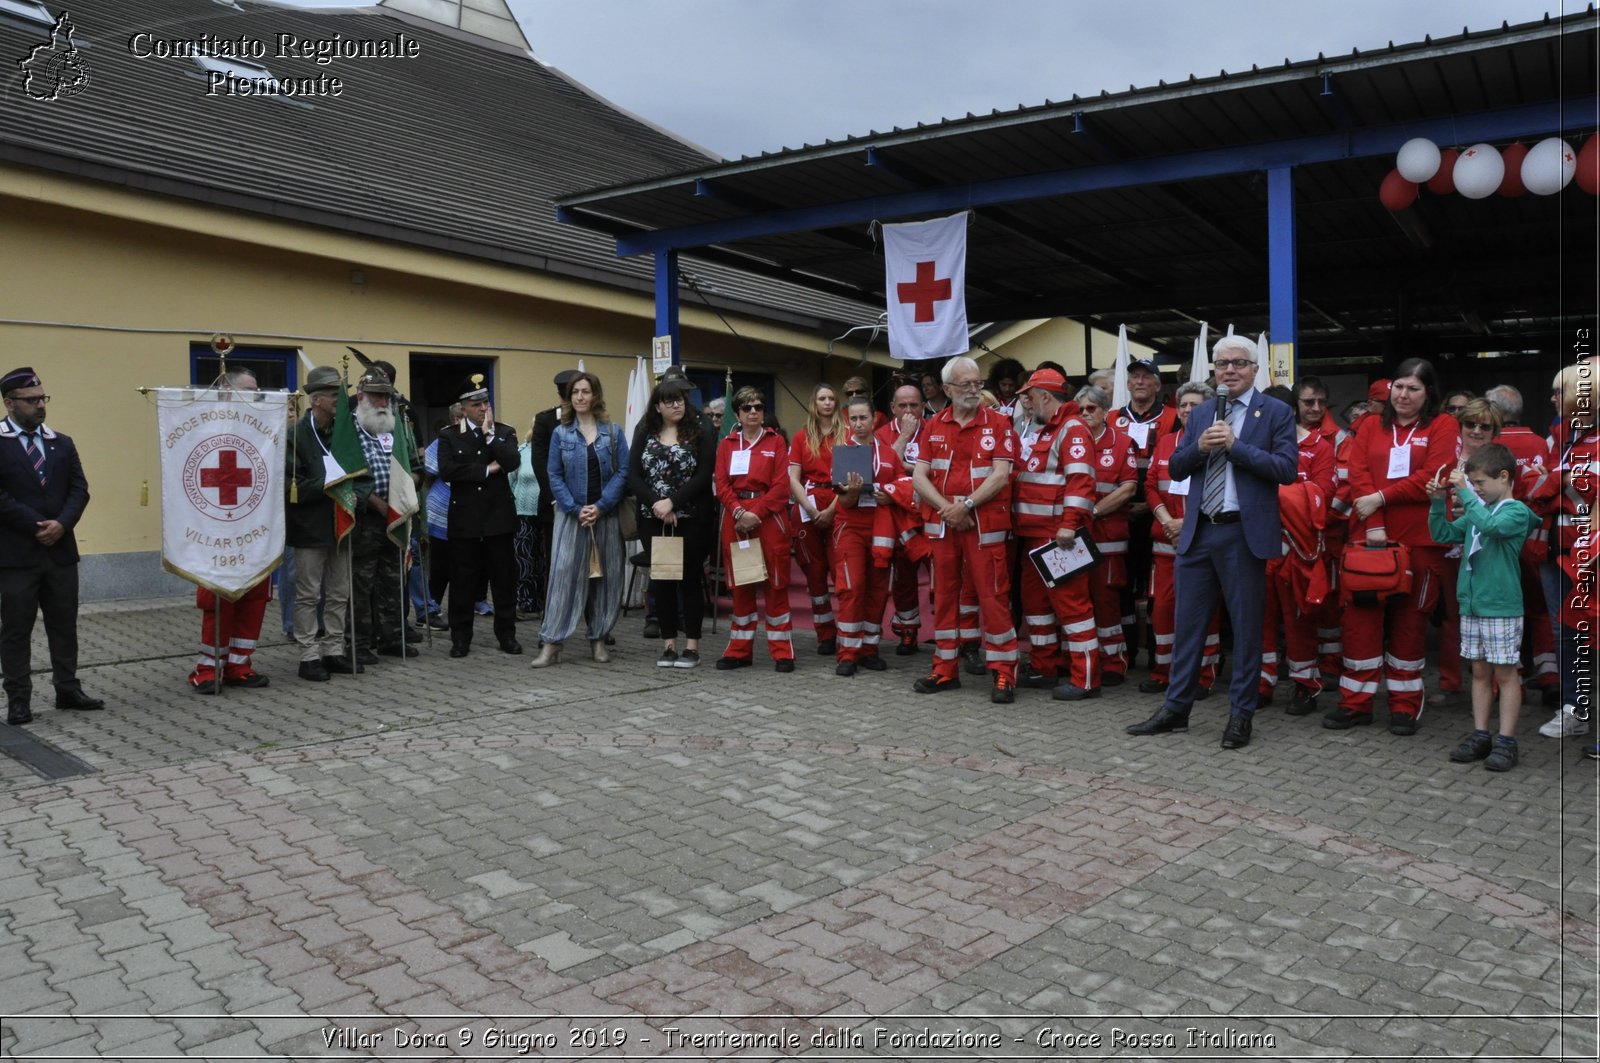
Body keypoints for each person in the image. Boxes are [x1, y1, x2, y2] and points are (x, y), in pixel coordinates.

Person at [1126, 336, 1298, 750]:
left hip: (1243, 532)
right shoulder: (1201, 413)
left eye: (1239, 363)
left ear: (1255, 370)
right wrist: (1199, 449)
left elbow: (1287, 470)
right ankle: (1176, 709)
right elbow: (1177, 465)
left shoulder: (1275, 411)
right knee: (1188, 627)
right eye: (1222, 364)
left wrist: (1238, 449)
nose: (1230, 370)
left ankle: (1241, 715)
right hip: (1199, 531)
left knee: (1244, 629)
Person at [1325, 356, 1459, 735]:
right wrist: (1376, 524)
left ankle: (1403, 705)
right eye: (1399, 386)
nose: (1403, 394)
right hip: (1369, 540)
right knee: (1360, 622)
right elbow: (1359, 476)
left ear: (1428, 392)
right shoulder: (1369, 425)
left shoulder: (1444, 425)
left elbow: (1433, 477)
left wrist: (1381, 500)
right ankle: (1356, 704)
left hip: (1421, 541)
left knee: (1410, 624)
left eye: (1413, 388)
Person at [911, 355, 1020, 703]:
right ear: (947, 389)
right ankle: (945, 669)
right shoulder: (933, 425)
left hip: (982, 524)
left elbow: (1001, 475)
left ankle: (1004, 673)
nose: (974, 390)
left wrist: (966, 505)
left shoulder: (1000, 423)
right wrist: (948, 510)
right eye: (966, 384)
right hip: (946, 524)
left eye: (977, 383)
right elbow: (918, 476)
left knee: (993, 597)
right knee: (943, 597)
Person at [1430, 443, 1541, 772]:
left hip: (1501, 606)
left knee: (1506, 675)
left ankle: (1507, 740)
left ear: (1504, 477)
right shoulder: (1479, 512)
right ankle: (1481, 734)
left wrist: (1465, 494)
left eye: (1480, 483)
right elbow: (1443, 534)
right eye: (1472, 483)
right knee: (1479, 672)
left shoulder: (1515, 512)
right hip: (1473, 605)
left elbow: (1492, 528)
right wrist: (1437, 502)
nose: (1475, 488)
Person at [0, 366, 102, 724]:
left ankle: (68, 689)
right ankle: (18, 698)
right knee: (16, 628)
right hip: (16, 556)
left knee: (64, 623)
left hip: (59, 552)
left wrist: (62, 524)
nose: (40, 405)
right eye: (31, 400)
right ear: (10, 404)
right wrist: (36, 525)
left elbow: (80, 488)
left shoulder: (62, 442)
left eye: (43, 398)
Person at [1006, 369, 1098, 697]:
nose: (1027, 405)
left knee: (1073, 607)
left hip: (1059, 537)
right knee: (1036, 606)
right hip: (1035, 535)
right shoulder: (1048, 430)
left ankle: (1085, 679)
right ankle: (1044, 667)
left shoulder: (1071, 429)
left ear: (1045, 396)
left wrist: (1069, 524)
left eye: (1029, 397)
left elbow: (1081, 481)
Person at [186, 366, 274, 693]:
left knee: (253, 597)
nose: (254, 397)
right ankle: (207, 669)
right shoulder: (202, 428)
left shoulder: (263, 430)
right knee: (219, 599)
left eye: (256, 391)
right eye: (247, 391)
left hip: (255, 528)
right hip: (216, 529)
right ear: (225, 391)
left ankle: (239, 663)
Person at [531, 371, 628, 667]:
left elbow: (624, 472)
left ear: (595, 395)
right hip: (571, 517)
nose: (580, 397)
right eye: (575, 392)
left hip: (605, 516)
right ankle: (551, 643)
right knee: (562, 579)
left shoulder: (613, 432)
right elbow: (554, 475)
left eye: (585, 391)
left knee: (604, 580)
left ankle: (598, 640)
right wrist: (575, 508)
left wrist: (600, 505)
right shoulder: (561, 434)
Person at [1257, 381, 1335, 715]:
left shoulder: (1319, 447)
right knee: (1259, 620)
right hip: (1259, 546)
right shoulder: (1252, 446)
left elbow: (1320, 497)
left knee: (1298, 621)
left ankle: (1306, 685)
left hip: (1297, 549)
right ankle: (1262, 682)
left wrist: (1275, 495)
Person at [627, 378, 715, 668]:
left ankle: (691, 647)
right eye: (670, 401)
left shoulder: (701, 429)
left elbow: (704, 475)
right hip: (654, 519)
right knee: (662, 580)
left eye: (680, 399)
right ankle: (668, 646)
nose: (677, 405)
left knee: (689, 580)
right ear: (658, 406)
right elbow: (633, 475)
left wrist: (673, 502)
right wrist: (658, 504)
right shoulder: (646, 430)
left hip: (691, 519)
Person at [1142, 382, 1220, 698]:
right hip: (1165, 546)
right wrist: (1167, 521)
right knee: (1163, 610)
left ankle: (1203, 676)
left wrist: (1186, 525)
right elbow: (1150, 486)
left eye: (1195, 405)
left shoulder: (1217, 443)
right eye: (1183, 405)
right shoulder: (1164, 444)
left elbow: (1219, 492)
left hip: (1202, 544)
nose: (1188, 411)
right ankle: (1164, 672)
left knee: (1205, 611)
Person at [1484, 384, 1559, 705]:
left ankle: (1511, 679)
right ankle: (1550, 675)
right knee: (1542, 608)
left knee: (1505, 610)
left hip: (1500, 542)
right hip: (1535, 538)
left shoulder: (1490, 447)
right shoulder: (1543, 443)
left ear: (1496, 414)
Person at [438, 375, 522, 658]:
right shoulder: (449, 435)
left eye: (486, 402)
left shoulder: (504, 432)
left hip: (498, 519)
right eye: (476, 404)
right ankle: (460, 637)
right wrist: (486, 470)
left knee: (503, 581)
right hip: (466, 521)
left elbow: (511, 462)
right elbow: (447, 470)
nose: (483, 408)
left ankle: (506, 635)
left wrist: (489, 436)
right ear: (463, 408)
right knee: (462, 581)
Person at [714, 386, 795, 671]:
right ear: (736, 413)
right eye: (747, 408)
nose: (753, 412)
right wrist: (739, 511)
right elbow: (721, 484)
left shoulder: (776, 442)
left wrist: (755, 513)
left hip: (769, 520)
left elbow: (782, 488)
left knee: (776, 584)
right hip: (736, 520)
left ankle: (782, 651)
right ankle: (739, 651)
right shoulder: (726, 444)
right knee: (743, 587)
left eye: (758, 407)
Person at [286, 366, 356, 681]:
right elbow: (291, 486)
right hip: (310, 526)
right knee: (309, 594)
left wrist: (356, 497)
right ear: (315, 399)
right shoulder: (296, 435)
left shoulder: (345, 433)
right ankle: (308, 655)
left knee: (340, 591)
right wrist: (329, 481)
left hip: (342, 522)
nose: (340, 399)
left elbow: (360, 474)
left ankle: (333, 650)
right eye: (333, 394)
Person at [1542, 363, 1599, 745]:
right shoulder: (1559, 436)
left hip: (1589, 551)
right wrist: (1560, 480)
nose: (1552, 399)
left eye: (1558, 391)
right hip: (1553, 547)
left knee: (1590, 632)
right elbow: (1532, 483)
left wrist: (1563, 480)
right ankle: (1574, 709)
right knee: (1563, 633)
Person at [1113, 358, 1179, 670]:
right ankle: (1122, 654)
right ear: (1127, 383)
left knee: (1157, 592)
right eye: (1134, 377)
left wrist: (1149, 506)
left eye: (1145, 377)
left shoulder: (1174, 418)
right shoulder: (1113, 419)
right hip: (1119, 515)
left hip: (1159, 517)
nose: (1139, 382)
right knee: (1121, 588)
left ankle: (1158, 657)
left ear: (1157, 384)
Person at [348, 369, 417, 663]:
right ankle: (359, 643)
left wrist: (411, 485)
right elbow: (345, 474)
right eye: (376, 395)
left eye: (386, 396)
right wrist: (375, 501)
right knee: (360, 585)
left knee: (392, 581)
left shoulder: (395, 426)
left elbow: (414, 463)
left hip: (395, 517)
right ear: (361, 397)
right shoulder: (348, 428)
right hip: (364, 517)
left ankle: (391, 638)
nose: (381, 401)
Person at [828, 397, 897, 675]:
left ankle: (869, 648)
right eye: (853, 419)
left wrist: (889, 496)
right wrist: (855, 492)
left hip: (881, 529)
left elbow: (902, 487)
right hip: (851, 528)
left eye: (863, 418)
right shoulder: (844, 453)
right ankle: (847, 653)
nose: (858, 424)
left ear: (874, 419)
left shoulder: (890, 454)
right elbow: (844, 503)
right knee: (852, 588)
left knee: (878, 589)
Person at [1076, 385, 1138, 687]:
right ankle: (1079, 659)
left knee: (1106, 601)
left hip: (1106, 538)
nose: (1086, 414)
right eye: (1081, 409)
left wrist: (1094, 512)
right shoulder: (1069, 439)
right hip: (1073, 537)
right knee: (1076, 600)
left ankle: (1114, 661)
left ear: (1104, 412)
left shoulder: (1122, 442)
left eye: (1092, 409)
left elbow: (1128, 488)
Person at [788, 383, 846, 656]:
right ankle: (825, 633)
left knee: (842, 572)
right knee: (814, 574)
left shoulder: (845, 434)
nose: (827, 403)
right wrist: (811, 510)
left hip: (839, 503)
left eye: (831, 398)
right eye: (822, 398)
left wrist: (832, 509)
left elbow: (848, 478)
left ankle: (848, 632)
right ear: (814, 402)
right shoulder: (801, 438)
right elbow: (793, 478)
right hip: (807, 506)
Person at [879, 382, 929, 654]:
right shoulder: (881, 434)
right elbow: (884, 471)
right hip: (898, 519)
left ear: (923, 406)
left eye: (914, 405)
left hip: (932, 514)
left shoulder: (935, 430)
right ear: (892, 408)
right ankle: (908, 631)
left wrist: (910, 470)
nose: (909, 410)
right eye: (903, 405)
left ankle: (953, 636)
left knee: (943, 578)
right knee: (903, 578)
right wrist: (904, 437)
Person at [530, 370, 578, 619]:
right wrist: (554, 498)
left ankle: (595, 623)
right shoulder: (546, 421)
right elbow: (540, 462)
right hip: (554, 506)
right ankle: (553, 619)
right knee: (556, 565)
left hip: (587, 505)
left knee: (590, 566)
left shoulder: (592, 422)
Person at [509, 419, 543, 620]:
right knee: (524, 560)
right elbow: (510, 481)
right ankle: (526, 603)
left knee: (544, 560)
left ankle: (544, 601)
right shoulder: (522, 452)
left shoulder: (550, 452)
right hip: (523, 512)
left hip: (546, 512)